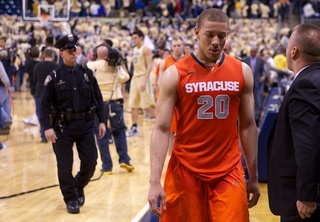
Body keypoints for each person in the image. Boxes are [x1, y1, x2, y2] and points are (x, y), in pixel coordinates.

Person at [148, 8, 260, 221]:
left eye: (222, 35)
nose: (216, 41)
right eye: (210, 35)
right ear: (197, 32)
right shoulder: (175, 74)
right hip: (185, 170)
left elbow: (247, 125)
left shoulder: (242, 71)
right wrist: (154, 181)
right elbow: (161, 128)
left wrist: (253, 175)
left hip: (229, 170)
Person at [39, 34, 106, 214]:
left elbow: (98, 99)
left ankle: (78, 186)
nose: (74, 53)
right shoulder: (54, 76)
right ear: (61, 53)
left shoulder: (86, 74)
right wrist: (47, 127)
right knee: (65, 165)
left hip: (85, 125)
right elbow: (44, 104)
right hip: (62, 128)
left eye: (75, 50)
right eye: (70, 51)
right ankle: (70, 198)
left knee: (91, 163)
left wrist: (102, 121)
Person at [267, 23, 320, 221]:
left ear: (294, 51)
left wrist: (306, 195)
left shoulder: (305, 85)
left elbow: (308, 144)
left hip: (304, 201)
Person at [87, 45, 134, 175]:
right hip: (114, 103)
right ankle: (124, 160)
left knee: (101, 134)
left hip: (98, 105)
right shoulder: (116, 67)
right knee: (119, 131)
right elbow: (126, 78)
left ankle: (107, 166)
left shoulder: (90, 66)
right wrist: (121, 62)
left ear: (96, 54)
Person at [154, 36, 185, 157]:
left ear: (183, 46)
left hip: (185, 99)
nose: (177, 48)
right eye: (174, 46)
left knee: (184, 130)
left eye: (179, 45)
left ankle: (185, 157)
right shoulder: (164, 62)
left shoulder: (189, 60)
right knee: (171, 130)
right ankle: (172, 158)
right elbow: (161, 83)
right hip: (170, 99)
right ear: (171, 47)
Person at [126, 29, 156, 137]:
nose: (133, 40)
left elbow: (150, 66)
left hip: (144, 77)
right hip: (135, 77)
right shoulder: (134, 49)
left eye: (135, 38)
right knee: (133, 105)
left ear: (141, 38)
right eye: (132, 38)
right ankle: (134, 128)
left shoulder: (146, 49)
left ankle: (162, 120)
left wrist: (144, 81)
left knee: (146, 106)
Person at [34, 48, 58, 143]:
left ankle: (44, 136)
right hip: (53, 94)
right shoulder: (56, 66)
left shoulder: (37, 66)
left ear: (43, 56)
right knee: (54, 114)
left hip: (40, 92)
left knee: (41, 114)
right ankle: (55, 134)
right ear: (52, 56)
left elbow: (35, 79)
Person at [243, 46, 266, 125]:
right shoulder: (245, 60)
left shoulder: (260, 60)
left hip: (257, 83)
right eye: (252, 51)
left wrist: (263, 76)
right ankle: (248, 117)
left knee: (257, 100)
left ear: (256, 52)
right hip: (247, 82)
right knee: (247, 100)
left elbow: (264, 71)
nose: (253, 53)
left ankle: (256, 118)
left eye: (254, 51)